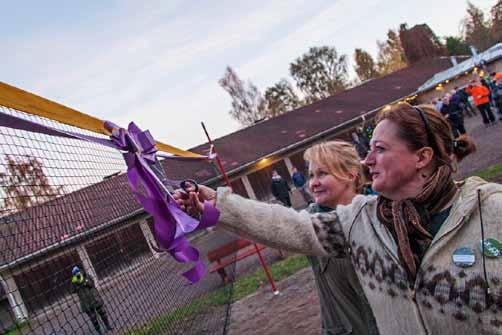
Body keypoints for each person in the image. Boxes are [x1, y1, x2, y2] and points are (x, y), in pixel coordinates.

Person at [176, 102, 502, 335]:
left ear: (422, 157)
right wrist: (217, 204)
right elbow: (291, 227)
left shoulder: (490, 211)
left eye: (380, 149)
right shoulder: (363, 220)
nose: (367, 159)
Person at [303, 141, 378, 335]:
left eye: (322, 173)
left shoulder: (377, 213)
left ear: (350, 175)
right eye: (311, 175)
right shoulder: (310, 223)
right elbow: (274, 225)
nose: (313, 183)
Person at [71, 266, 112, 335]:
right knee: (93, 318)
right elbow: (72, 291)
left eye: (78, 271)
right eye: (75, 273)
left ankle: (108, 326)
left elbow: (92, 283)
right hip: (86, 302)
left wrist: (84, 281)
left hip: (94, 298)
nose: (77, 274)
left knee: (102, 312)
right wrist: (75, 283)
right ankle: (99, 332)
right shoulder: (74, 281)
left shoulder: (87, 276)